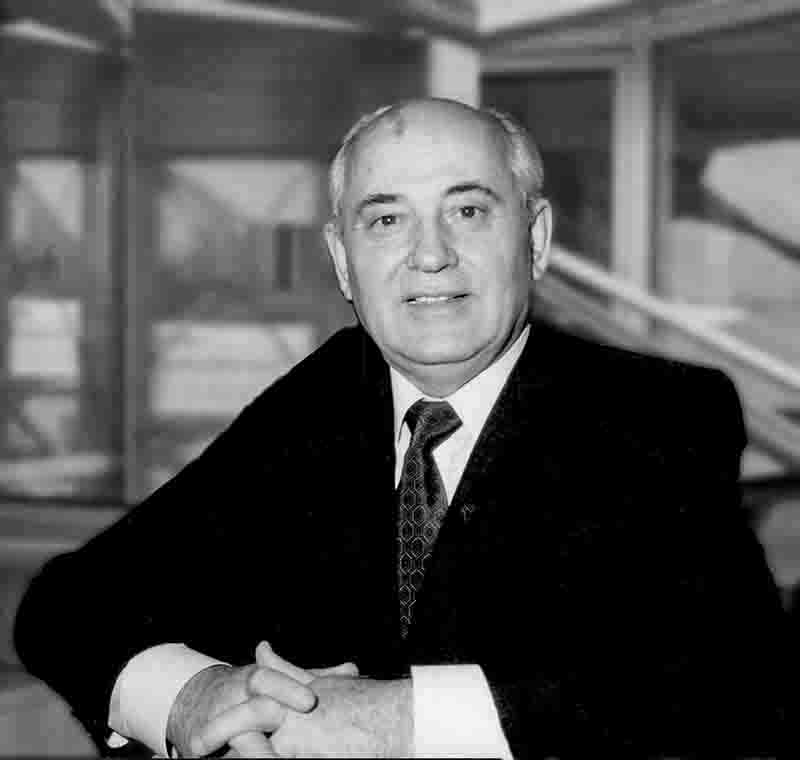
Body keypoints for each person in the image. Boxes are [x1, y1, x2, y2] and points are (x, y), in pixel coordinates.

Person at [14, 98, 790, 758]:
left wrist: (402, 722)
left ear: (537, 239)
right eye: (386, 219)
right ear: (344, 263)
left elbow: (733, 687)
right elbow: (68, 606)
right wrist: (195, 698)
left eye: (468, 210)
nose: (429, 255)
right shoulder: (331, 388)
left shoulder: (656, 414)